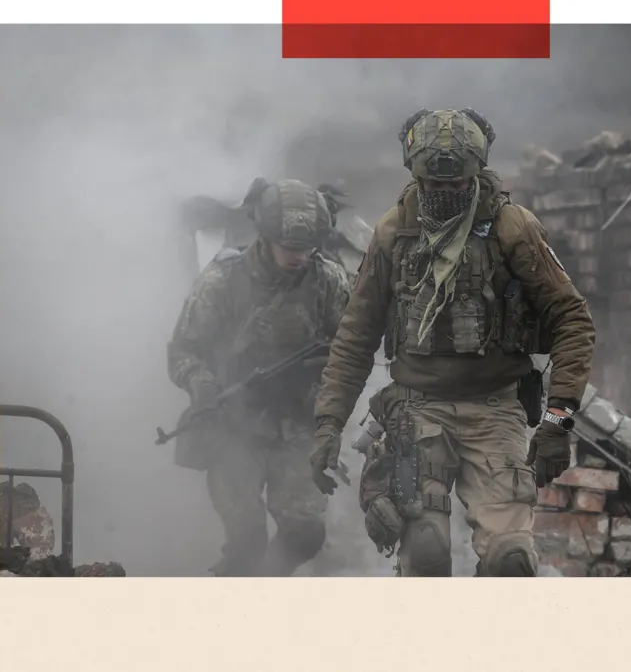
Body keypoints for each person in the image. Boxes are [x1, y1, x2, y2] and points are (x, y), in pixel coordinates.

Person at [310, 108, 597, 577]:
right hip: (417, 409)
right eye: (434, 186)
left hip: (497, 408)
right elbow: (355, 336)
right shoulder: (394, 233)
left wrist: (557, 422)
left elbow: (572, 320)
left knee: (512, 560)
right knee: (425, 552)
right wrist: (328, 423)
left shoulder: (512, 229)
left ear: (476, 174)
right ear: (415, 174)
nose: (445, 195)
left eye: (457, 185)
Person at [167, 177, 351, 576]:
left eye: (306, 248)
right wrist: (202, 384)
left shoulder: (329, 281)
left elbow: (353, 347)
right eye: (289, 247)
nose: (299, 256)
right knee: (246, 541)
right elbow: (183, 352)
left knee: (305, 534)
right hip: (235, 425)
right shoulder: (221, 282)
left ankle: (265, 585)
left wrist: (326, 373)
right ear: (265, 236)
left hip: (299, 422)